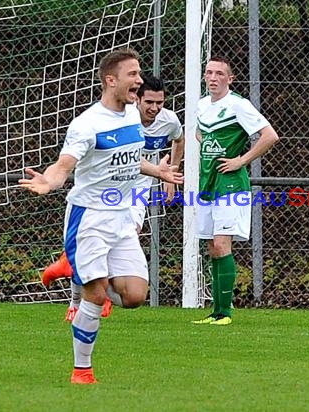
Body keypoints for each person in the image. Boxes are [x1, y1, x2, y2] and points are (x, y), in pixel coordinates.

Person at [19, 48, 183, 384]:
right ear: (111, 80)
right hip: (91, 217)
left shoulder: (132, 117)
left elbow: (129, 158)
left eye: (139, 74)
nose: (139, 80)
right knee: (95, 296)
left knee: (135, 296)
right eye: (133, 75)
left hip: (122, 216)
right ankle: (82, 370)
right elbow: (65, 164)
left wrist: (158, 172)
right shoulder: (87, 124)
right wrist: (49, 181)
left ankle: (72, 267)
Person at [41, 75, 185, 322]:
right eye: (149, 102)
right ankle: (76, 299)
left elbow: (179, 139)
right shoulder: (122, 118)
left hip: (139, 185)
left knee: (129, 231)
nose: (154, 108)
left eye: (159, 103)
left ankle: (80, 274)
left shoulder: (168, 120)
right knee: (105, 236)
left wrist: (169, 170)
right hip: (110, 184)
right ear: (137, 99)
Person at [192, 56, 279, 326]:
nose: (213, 77)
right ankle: (216, 312)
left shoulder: (238, 105)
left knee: (221, 244)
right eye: (209, 72)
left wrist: (241, 160)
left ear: (230, 79)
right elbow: (200, 134)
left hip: (231, 184)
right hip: (207, 183)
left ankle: (226, 312)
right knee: (211, 247)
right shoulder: (202, 106)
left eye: (219, 73)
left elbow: (270, 135)